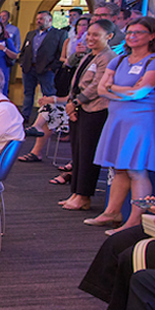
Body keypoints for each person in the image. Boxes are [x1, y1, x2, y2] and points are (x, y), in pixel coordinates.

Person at [85, 17, 155, 235]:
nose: (132, 36)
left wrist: (115, 87)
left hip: (140, 122)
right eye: (129, 32)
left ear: (152, 35)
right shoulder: (119, 60)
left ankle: (134, 221)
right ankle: (112, 212)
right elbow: (102, 90)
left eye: (138, 32)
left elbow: (140, 92)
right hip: (117, 119)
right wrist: (125, 91)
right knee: (118, 168)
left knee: (136, 170)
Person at [57, 20, 117, 211]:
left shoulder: (108, 57)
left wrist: (75, 103)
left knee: (88, 153)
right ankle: (75, 192)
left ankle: (84, 195)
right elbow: (78, 80)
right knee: (77, 152)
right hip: (79, 108)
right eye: (88, 34)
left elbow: (96, 86)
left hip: (95, 110)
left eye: (95, 35)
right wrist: (71, 102)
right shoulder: (89, 55)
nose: (90, 38)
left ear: (109, 37)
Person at [18, 10, 67, 122]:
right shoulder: (31, 34)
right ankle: (25, 116)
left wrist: (52, 67)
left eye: (41, 19)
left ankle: (48, 118)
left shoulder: (58, 34)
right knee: (28, 93)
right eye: (37, 19)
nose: (38, 21)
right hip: (29, 68)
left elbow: (60, 53)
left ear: (49, 20)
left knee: (48, 94)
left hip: (46, 69)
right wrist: (22, 61)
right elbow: (25, 50)